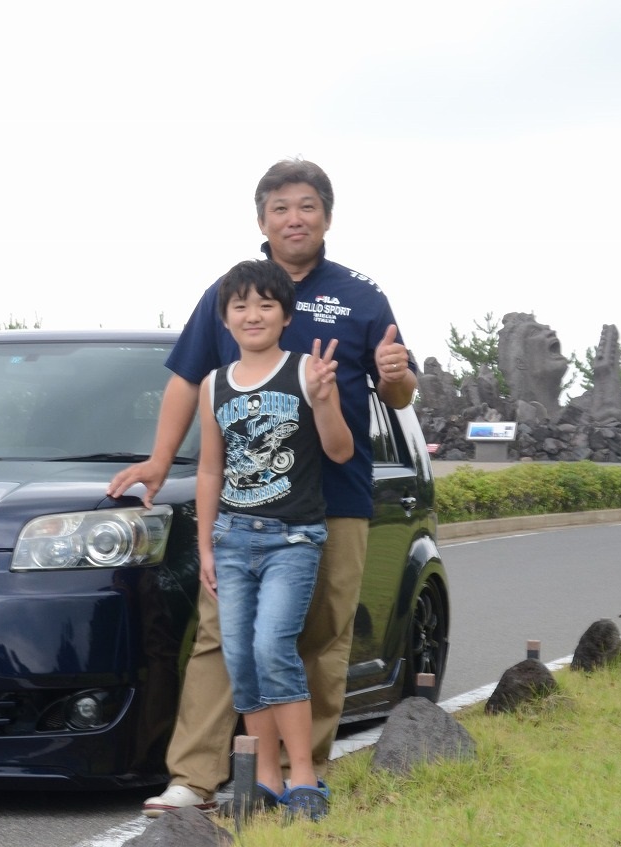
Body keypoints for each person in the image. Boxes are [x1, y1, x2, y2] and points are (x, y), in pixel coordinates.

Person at [106, 158, 417, 816]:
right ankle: (194, 776)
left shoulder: (361, 295)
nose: (293, 218)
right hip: (245, 509)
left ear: (326, 216)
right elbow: (189, 378)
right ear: (261, 220)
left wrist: (396, 375)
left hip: (335, 499)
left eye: (306, 206)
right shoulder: (231, 291)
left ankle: (302, 776)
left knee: (320, 636)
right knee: (225, 636)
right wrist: (162, 460)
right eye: (280, 207)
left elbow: (397, 389)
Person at [197, 259, 353, 820]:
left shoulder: (306, 370)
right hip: (232, 539)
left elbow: (339, 451)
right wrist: (206, 546)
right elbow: (211, 471)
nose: (252, 314)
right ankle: (263, 778)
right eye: (240, 305)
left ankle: (304, 777)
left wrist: (325, 397)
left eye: (265, 304)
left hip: (293, 539)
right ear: (226, 318)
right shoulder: (215, 383)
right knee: (240, 657)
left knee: (271, 647)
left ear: (286, 314)